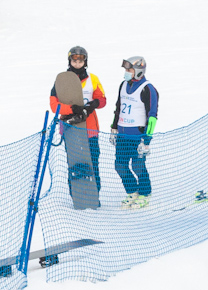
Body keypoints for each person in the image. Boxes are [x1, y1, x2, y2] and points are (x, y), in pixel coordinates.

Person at [49, 46, 106, 191]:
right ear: (69, 61)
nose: (77, 64)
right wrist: (72, 109)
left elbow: (102, 100)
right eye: (74, 61)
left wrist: (93, 104)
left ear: (85, 62)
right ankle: (77, 193)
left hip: (90, 128)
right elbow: (54, 106)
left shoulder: (93, 79)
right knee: (74, 163)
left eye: (80, 61)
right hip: (70, 128)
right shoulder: (61, 80)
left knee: (92, 162)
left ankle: (94, 193)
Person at [111, 56, 158, 209]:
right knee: (120, 165)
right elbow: (119, 107)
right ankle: (132, 191)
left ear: (138, 71)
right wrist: (114, 128)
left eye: (129, 69)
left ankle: (145, 193)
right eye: (126, 69)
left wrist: (147, 139)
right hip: (122, 135)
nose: (126, 72)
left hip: (138, 136)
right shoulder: (123, 85)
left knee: (138, 166)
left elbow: (152, 116)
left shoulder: (147, 89)